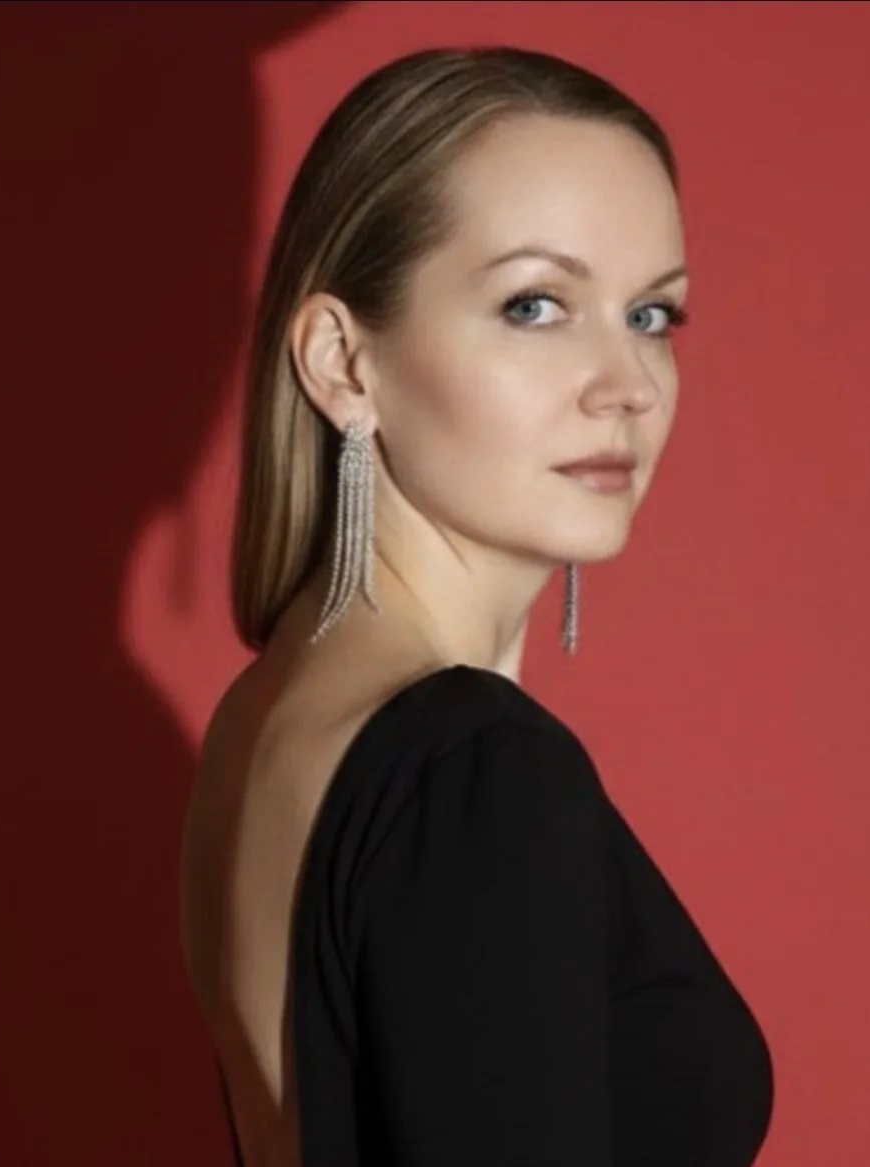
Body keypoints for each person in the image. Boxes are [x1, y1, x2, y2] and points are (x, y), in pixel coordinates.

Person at [180, 46, 774, 1167]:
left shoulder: (265, 718)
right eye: (535, 305)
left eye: (652, 314)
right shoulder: (478, 771)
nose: (628, 385)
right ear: (342, 361)